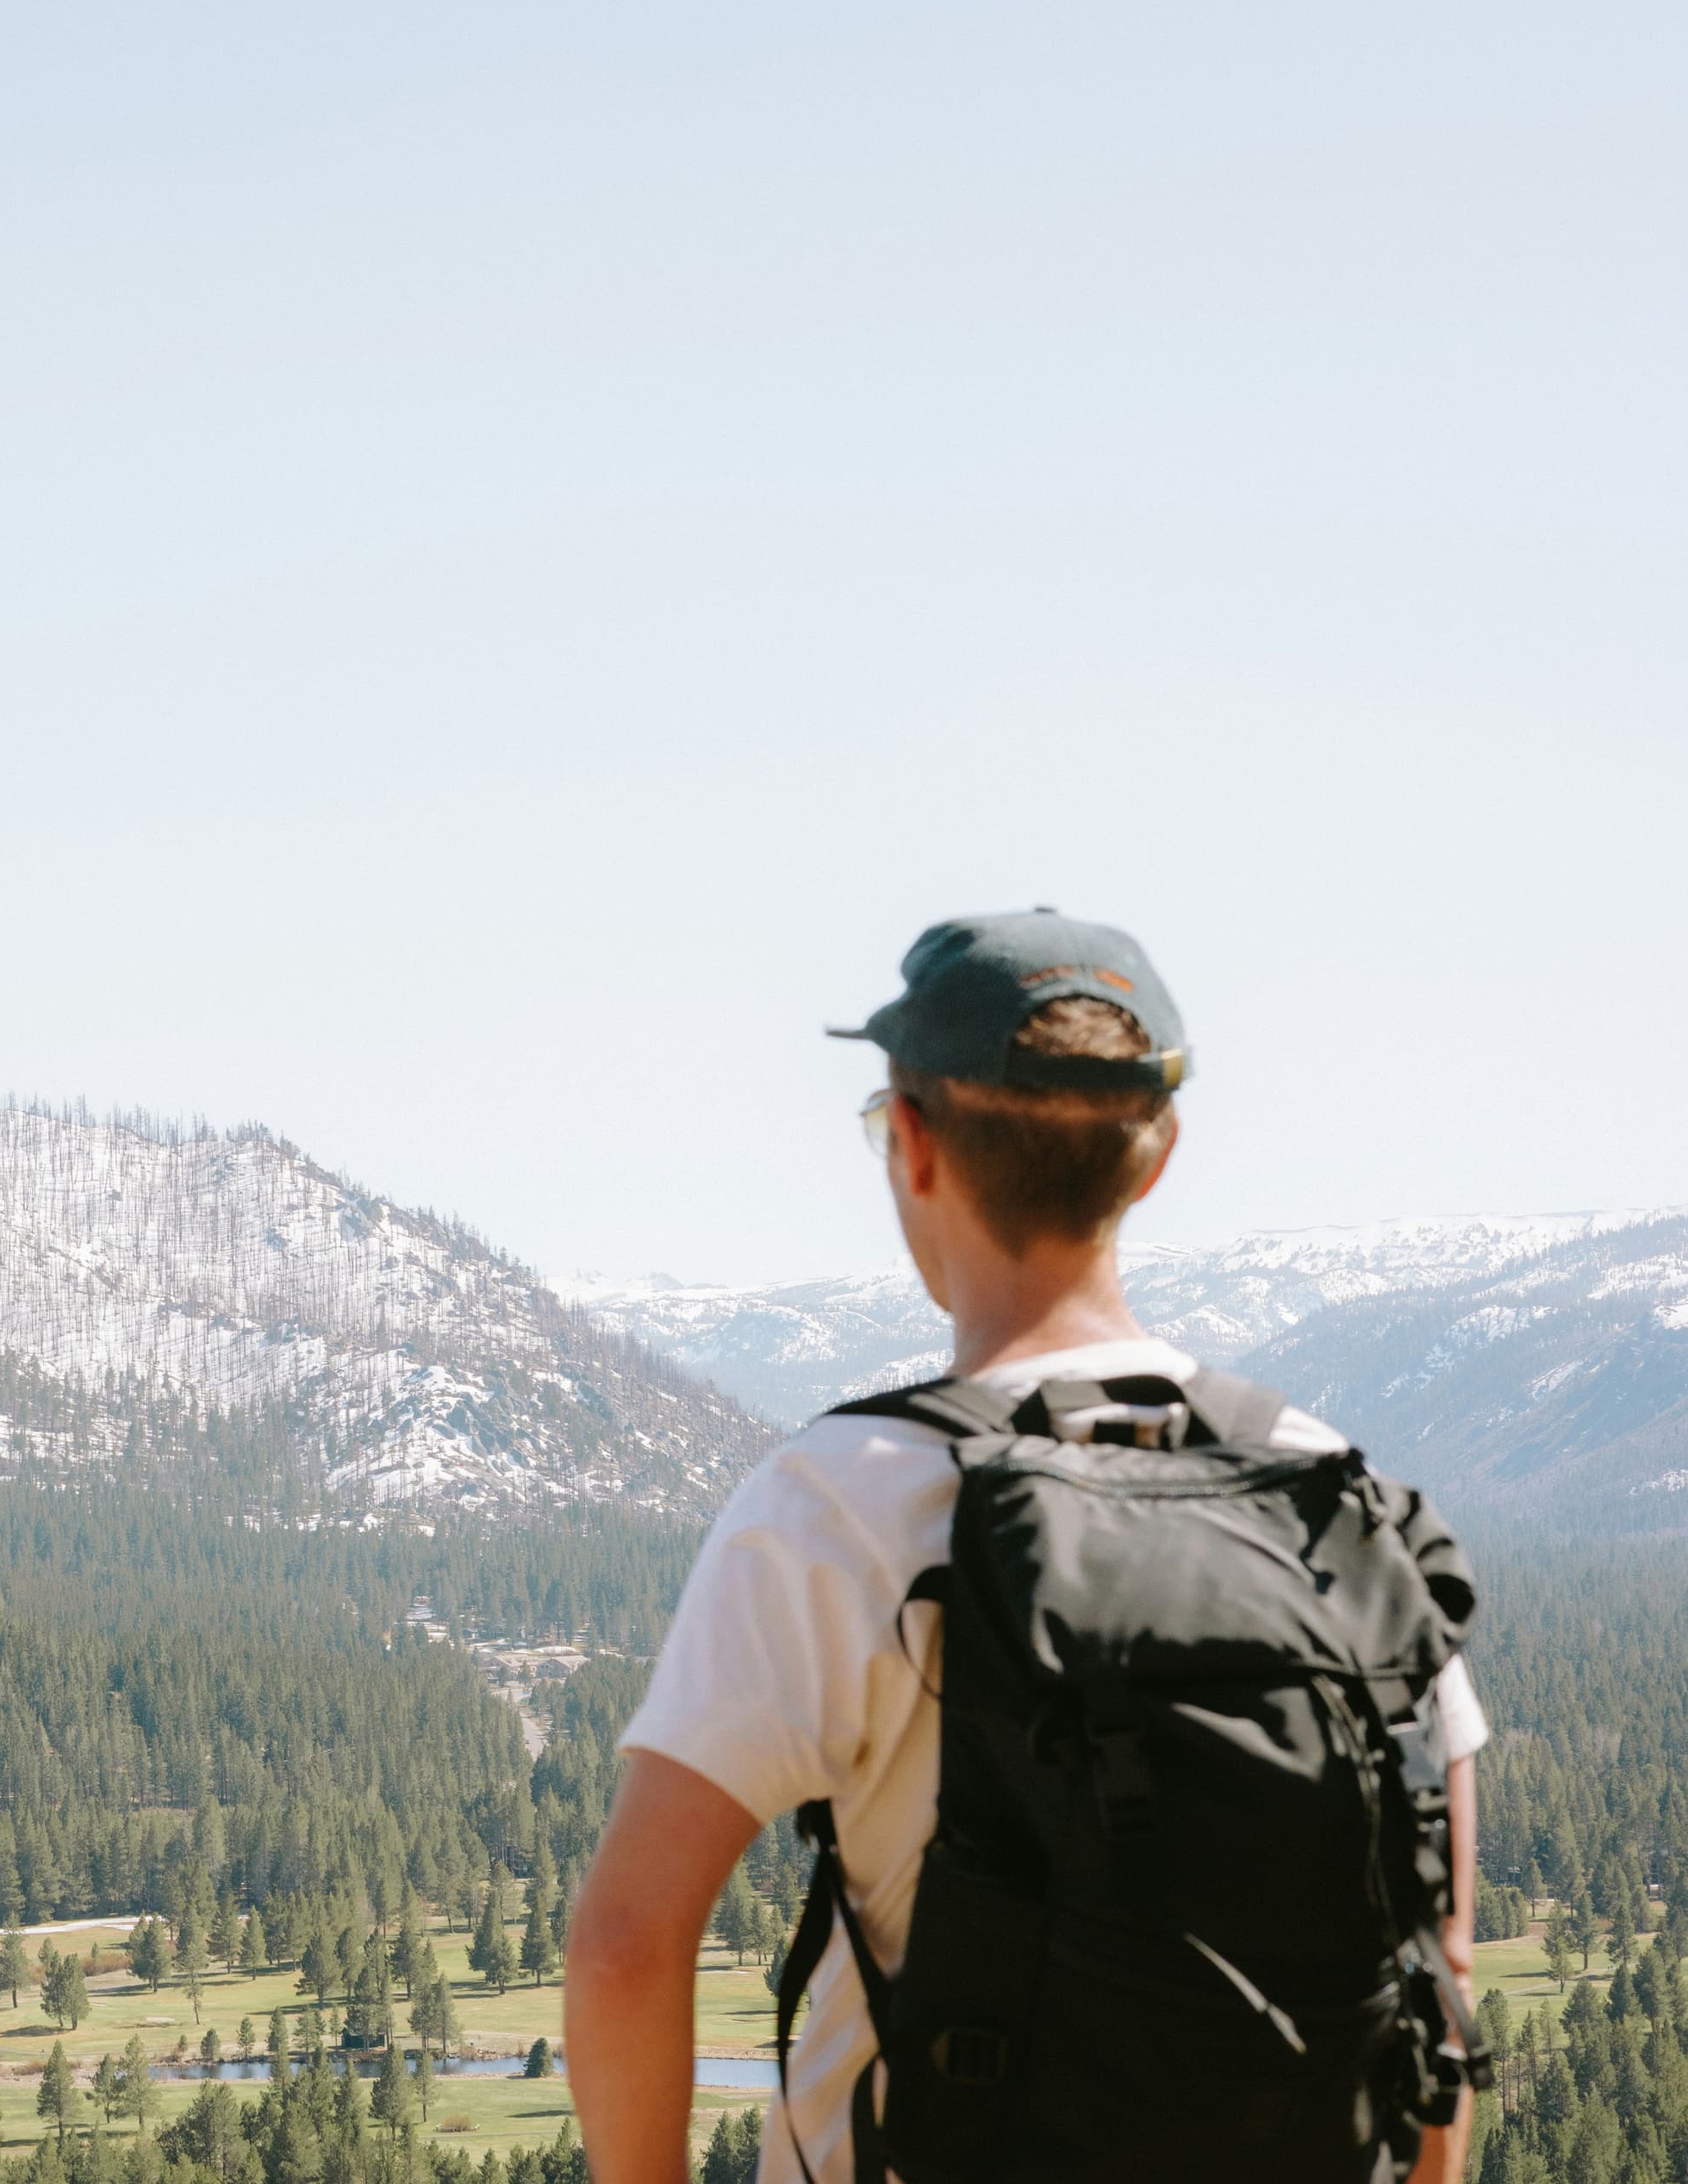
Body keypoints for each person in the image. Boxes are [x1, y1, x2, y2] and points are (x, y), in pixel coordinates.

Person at [562, 910, 1486, 2184]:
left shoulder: (840, 1500)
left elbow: (624, 1942)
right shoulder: (1339, 1501)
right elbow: (1437, 1973)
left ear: (914, 1146)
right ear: (1157, 1156)